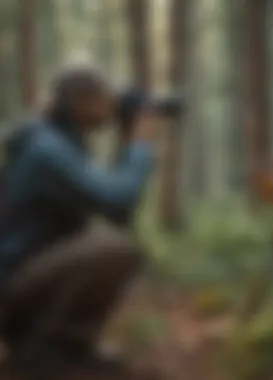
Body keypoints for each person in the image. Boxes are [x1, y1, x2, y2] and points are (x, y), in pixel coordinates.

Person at [0, 67, 160, 374]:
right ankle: (47, 351)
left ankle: (42, 343)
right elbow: (118, 200)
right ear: (81, 102)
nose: (112, 106)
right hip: (10, 278)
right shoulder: (47, 149)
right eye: (105, 98)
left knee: (106, 241)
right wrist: (139, 145)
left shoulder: (55, 140)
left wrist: (128, 140)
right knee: (118, 249)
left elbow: (117, 212)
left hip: (19, 269)